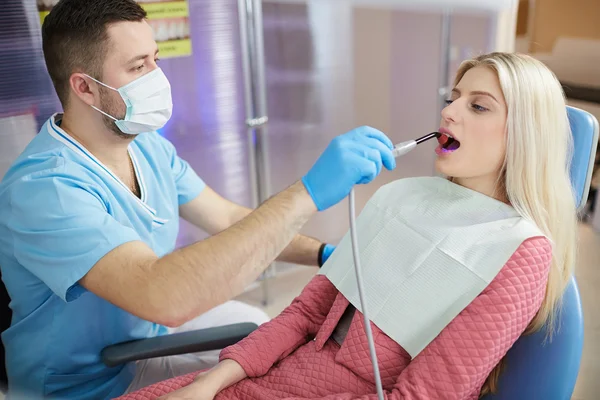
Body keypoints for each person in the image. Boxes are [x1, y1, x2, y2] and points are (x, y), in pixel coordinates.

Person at [119, 52, 579, 400]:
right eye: (452, 98)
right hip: (274, 374)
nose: (449, 112)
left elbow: (424, 395)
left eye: (478, 106)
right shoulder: (402, 198)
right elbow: (303, 315)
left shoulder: (519, 251)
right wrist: (209, 383)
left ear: (524, 133)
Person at [0, 0, 399, 399]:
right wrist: (306, 194)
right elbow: (163, 296)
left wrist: (324, 253)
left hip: (139, 343)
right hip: (82, 387)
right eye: (139, 67)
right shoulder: (45, 189)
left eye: (155, 59)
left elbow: (226, 216)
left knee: (257, 327)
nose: (159, 77)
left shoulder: (147, 147)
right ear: (84, 87)